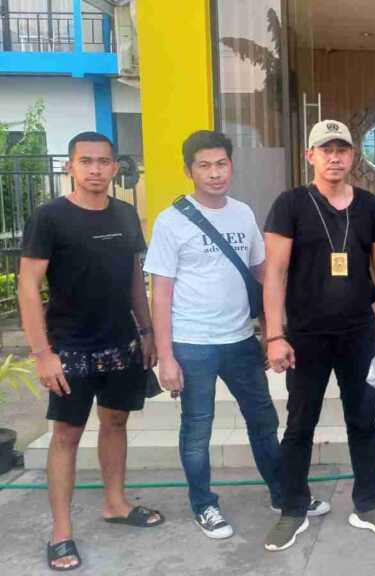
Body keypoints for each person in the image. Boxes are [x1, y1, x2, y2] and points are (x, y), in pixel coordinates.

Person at [144, 130, 328, 540]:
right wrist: (166, 356)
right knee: (198, 429)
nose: (214, 173)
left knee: (263, 421)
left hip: (240, 340)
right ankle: (204, 505)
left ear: (231, 165)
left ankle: (283, 494)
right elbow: (162, 293)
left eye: (221, 164)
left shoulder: (243, 214)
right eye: (204, 166)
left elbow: (263, 275)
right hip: (193, 344)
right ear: (189, 171)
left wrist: (272, 329)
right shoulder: (171, 221)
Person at [18, 131, 162, 571]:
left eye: (104, 161)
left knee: (116, 422)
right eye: (86, 161)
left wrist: (147, 330)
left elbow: (134, 276)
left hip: (120, 343)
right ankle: (61, 532)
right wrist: (42, 353)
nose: (96, 170)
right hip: (70, 349)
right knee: (66, 434)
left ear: (115, 167)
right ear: (71, 166)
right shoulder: (50, 218)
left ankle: (115, 503)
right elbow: (28, 287)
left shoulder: (125, 213)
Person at [262, 120, 375, 551]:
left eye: (342, 149)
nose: (334, 157)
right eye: (326, 150)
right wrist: (275, 335)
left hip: (358, 332)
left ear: (353, 156)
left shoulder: (370, 206)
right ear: (310, 156)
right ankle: (293, 508)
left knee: (363, 420)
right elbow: (275, 272)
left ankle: (369, 504)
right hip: (305, 335)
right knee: (299, 423)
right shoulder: (290, 204)